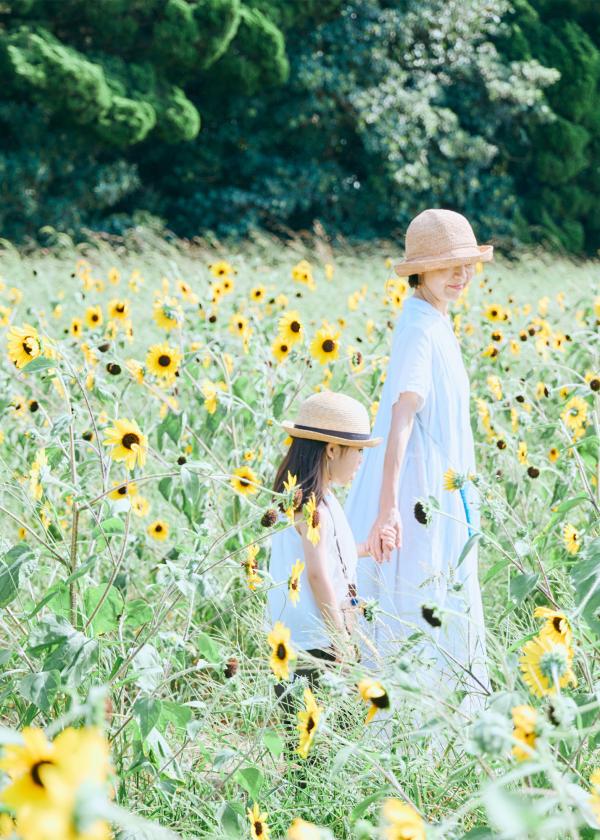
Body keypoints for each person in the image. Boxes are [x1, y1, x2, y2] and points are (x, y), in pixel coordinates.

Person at [345, 208, 492, 713]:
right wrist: (388, 510)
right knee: (417, 601)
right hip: (416, 493)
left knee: (431, 599)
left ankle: (434, 729)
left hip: (439, 489)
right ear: (419, 271)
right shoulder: (420, 329)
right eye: (448, 265)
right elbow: (400, 419)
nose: (461, 275)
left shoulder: (434, 322)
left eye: (466, 264)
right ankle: (414, 730)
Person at [266, 390, 395, 733]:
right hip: (316, 642)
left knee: (306, 742)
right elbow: (318, 575)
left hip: (295, 639)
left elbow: (325, 554)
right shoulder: (313, 508)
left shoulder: (306, 500)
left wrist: (365, 547)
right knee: (321, 743)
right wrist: (341, 640)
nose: (361, 461)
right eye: (358, 452)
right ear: (333, 450)